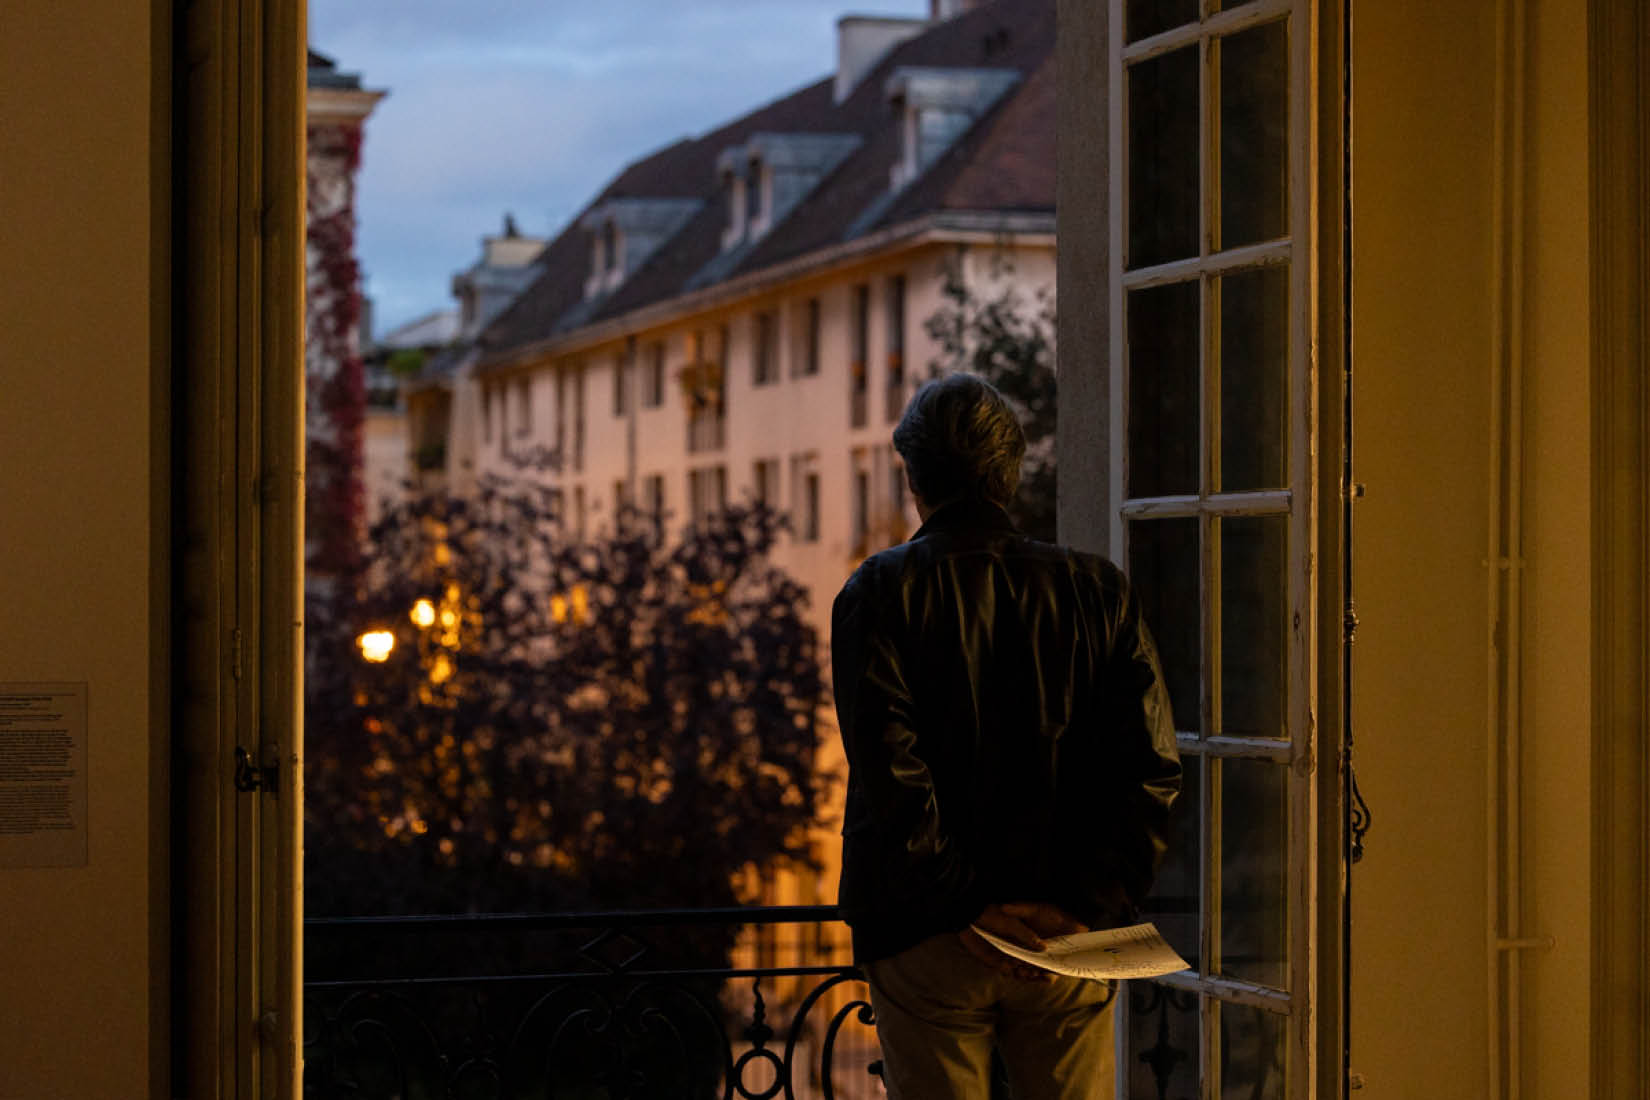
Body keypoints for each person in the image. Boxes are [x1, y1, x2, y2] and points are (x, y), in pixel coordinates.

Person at [831, 373, 1182, 1099]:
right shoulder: (1096, 589)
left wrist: (962, 905)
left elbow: (890, 770)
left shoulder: (879, 590)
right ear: (1008, 472)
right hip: (1068, 935)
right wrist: (1087, 903)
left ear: (914, 478)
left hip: (926, 933)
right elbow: (1150, 765)